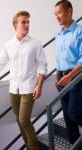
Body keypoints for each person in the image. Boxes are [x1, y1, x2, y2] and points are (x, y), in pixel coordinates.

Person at [0, 11, 47, 150]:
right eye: (23, 22)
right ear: (15, 25)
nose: (27, 24)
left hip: (29, 88)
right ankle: (28, 145)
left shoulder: (35, 43)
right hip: (13, 89)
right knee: (19, 121)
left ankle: (33, 147)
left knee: (24, 120)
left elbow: (43, 66)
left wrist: (39, 86)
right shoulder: (9, 45)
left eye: (28, 22)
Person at [54, 0, 82, 149]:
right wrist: (57, 74)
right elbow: (59, 57)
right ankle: (75, 144)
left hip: (76, 77)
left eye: (59, 12)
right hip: (61, 78)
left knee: (74, 112)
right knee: (66, 115)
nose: (56, 16)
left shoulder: (79, 31)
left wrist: (70, 75)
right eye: (55, 14)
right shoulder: (59, 34)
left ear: (69, 11)